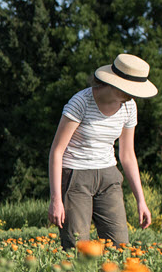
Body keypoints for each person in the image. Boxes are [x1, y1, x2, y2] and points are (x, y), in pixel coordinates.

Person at [48, 53, 156, 249]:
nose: (131, 96)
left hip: (109, 177)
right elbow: (57, 151)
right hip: (75, 177)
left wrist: (141, 200)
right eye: (128, 89)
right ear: (113, 82)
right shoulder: (80, 102)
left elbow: (127, 155)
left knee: (120, 246)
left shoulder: (129, 107)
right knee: (76, 248)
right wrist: (56, 199)